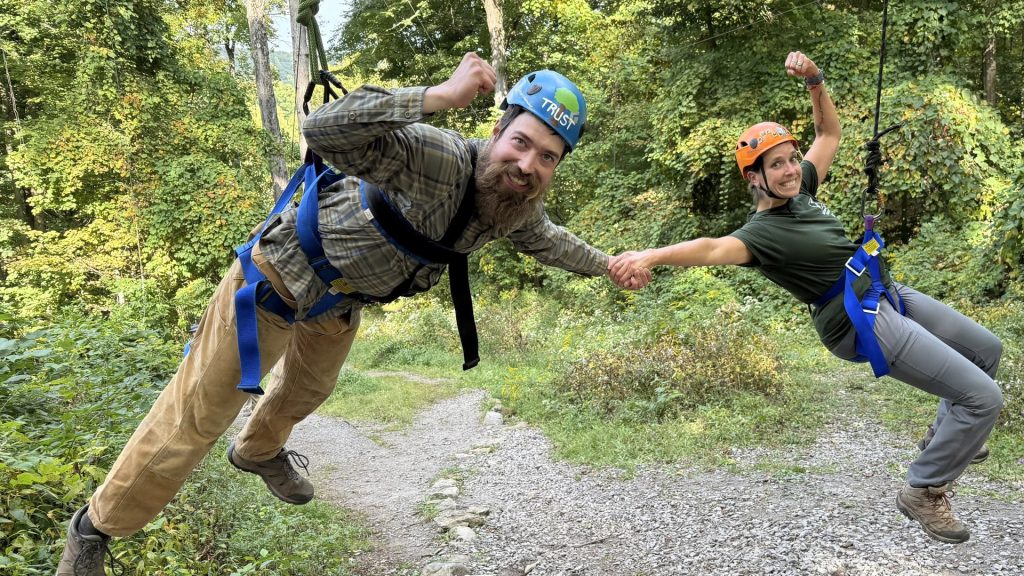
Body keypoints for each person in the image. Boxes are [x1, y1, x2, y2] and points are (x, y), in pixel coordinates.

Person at [57, 52, 646, 574]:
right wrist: (436, 97)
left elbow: (555, 243)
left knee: (307, 390)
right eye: (522, 142)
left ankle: (257, 451)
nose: (528, 165)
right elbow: (323, 128)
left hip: (338, 304)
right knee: (195, 420)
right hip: (276, 280)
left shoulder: (515, 207)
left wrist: (611, 265)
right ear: (497, 130)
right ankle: (95, 530)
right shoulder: (437, 156)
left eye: (547, 157)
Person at [610, 51, 1003, 544]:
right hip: (855, 318)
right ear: (754, 176)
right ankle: (925, 488)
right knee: (983, 398)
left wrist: (816, 81)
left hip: (879, 291)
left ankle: (946, 437)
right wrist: (650, 255)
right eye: (776, 165)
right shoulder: (761, 234)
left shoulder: (804, 191)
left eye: (792, 159)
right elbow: (709, 248)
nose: (791, 169)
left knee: (987, 350)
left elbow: (829, 135)